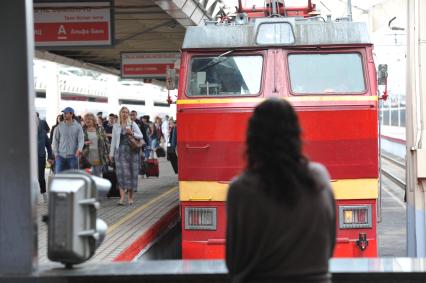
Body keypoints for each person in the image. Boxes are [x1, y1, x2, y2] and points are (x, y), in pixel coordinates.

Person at [226, 98, 336, 283]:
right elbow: (329, 248)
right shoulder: (320, 177)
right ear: (296, 135)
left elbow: (235, 264)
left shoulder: (241, 189)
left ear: (253, 138)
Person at [110, 106, 144, 205]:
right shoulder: (116, 126)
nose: (125, 114)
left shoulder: (132, 124)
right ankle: (121, 198)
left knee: (131, 174)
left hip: (132, 152)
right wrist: (111, 154)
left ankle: (130, 198)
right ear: (120, 113)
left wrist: (132, 133)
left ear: (128, 114)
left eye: (126, 112)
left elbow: (141, 136)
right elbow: (113, 141)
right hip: (119, 152)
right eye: (123, 112)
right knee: (121, 174)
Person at [52, 107, 84, 173]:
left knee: (72, 179)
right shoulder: (59, 126)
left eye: (66, 113)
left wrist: (79, 149)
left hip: (73, 157)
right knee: (58, 178)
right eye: (64, 113)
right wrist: (56, 154)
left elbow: (81, 139)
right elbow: (55, 141)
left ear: (71, 114)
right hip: (60, 157)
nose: (64, 114)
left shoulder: (78, 126)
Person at [36, 113, 54, 202]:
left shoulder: (43, 132)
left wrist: (50, 157)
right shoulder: (25, 132)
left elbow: (49, 146)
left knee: (40, 177)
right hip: (28, 158)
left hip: (40, 157)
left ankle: (44, 193)